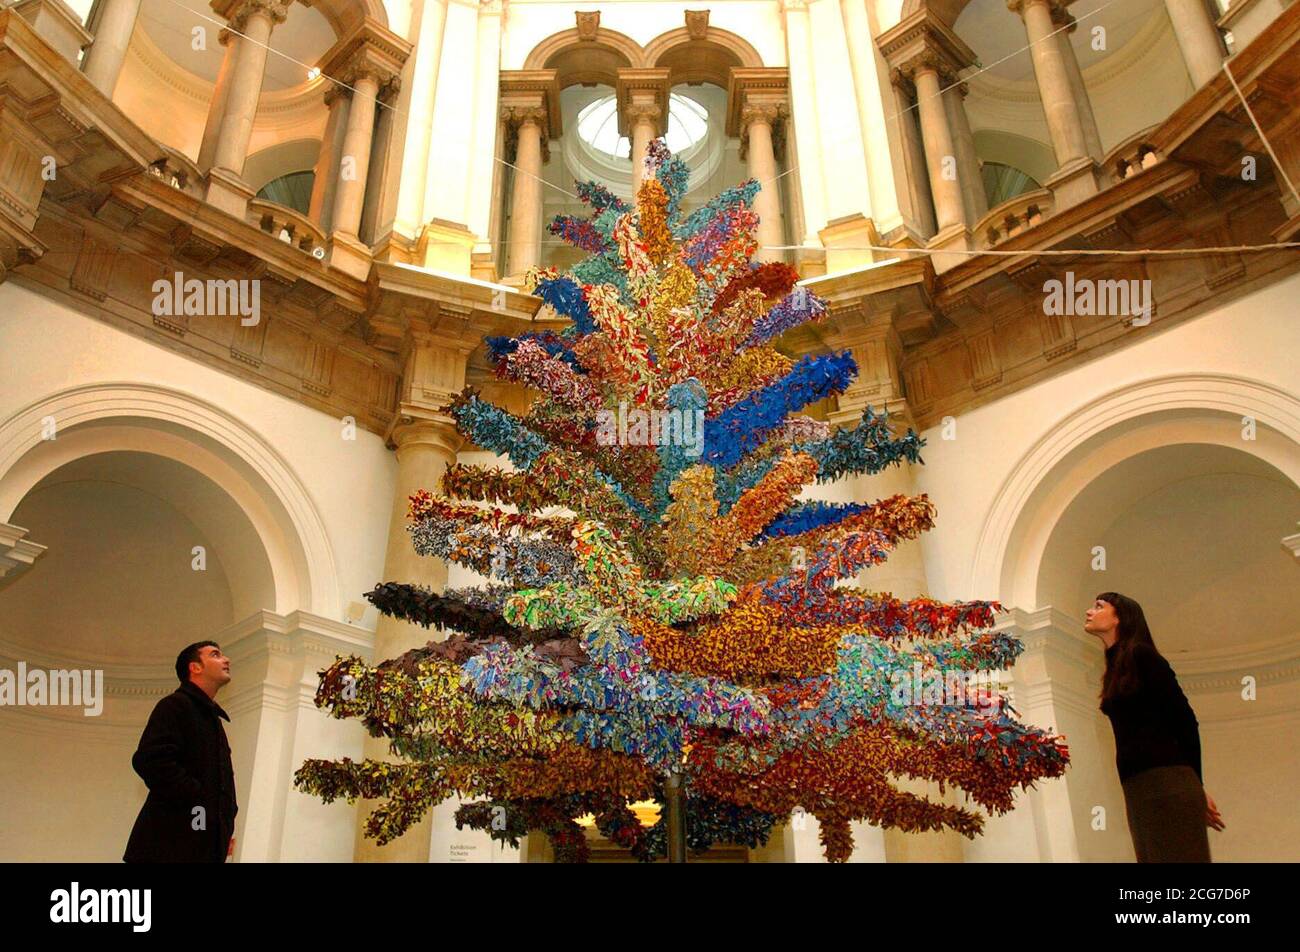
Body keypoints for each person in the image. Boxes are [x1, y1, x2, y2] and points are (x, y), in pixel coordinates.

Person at [1085, 592, 1224, 862]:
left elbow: (1184, 720)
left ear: (1119, 618)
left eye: (1099, 606)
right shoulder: (1115, 668)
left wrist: (1196, 784)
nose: (1089, 611)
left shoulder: (1143, 657)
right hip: (1138, 785)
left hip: (1167, 782)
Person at [124, 641, 237, 862]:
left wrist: (222, 824)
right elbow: (151, 760)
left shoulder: (211, 718)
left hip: (199, 849)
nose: (226, 660)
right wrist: (198, 800)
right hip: (169, 848)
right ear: (195, 667)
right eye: (215, 655)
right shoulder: (175, 705)